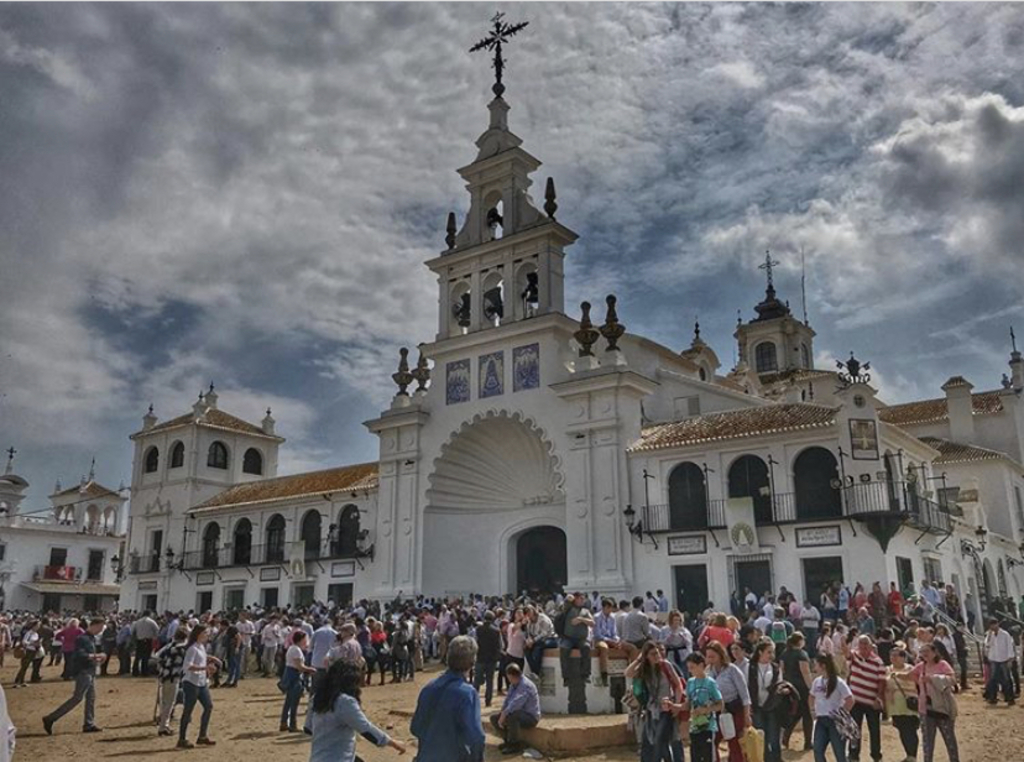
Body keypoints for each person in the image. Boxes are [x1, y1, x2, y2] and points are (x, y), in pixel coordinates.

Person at [309, 660, 406, 762]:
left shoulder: (316, 699)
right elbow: (366, 728)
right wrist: (393, 742)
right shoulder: (345, 702)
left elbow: (308, 728)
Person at [410, 635, 485, 762]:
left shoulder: (428, 688)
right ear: (472, 662)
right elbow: (476, 737)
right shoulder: (467, 693)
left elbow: (415, 727)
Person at [41, 617, 106, 735]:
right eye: (100, 627)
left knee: (90, 699)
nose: (100, 630)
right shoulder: (82, 638)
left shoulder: (89, 638)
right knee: (78, 697)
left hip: (89, 670)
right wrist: (95, 656)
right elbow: (80, 654)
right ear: (94, 625)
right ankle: (51, 718)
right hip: (83, 671)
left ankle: (89, 723)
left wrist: (97, 659)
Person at [625, 640, 683, 762]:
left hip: (666, 707)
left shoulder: (665, 665)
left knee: (660, 739)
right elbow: (628, 673)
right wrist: (639, 659)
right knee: (649, 741)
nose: (657, 656)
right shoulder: (644, 669)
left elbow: (678, 685)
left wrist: (677, 704)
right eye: (653, 654)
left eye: (657, 653)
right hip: (651, 709)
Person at [910, 642, 959, 762]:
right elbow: (910, 675)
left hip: (942, 705)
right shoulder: (920, 666)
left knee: (949, 738)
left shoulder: (942, 664)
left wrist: (933, 679)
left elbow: (952, 679)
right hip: (926, 707)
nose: (924, 654)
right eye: (922, 652)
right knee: (927, 740)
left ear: (934, 652)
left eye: (927, 651)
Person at [705, 640, 749, 762]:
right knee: (713, 741)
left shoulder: (732, 670)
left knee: (734, 742)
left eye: (713, 656)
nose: (710, 659)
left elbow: (745, 695)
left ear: (720, 655)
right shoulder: (708, 671)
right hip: (716, 711)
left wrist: (747, 715)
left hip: (734, 709)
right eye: (708, 656)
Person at [177, 624, 219, 749]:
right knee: (188, 710)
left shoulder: (201, 646)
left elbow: (200, 659)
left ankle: (202, 736)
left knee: (208, 706)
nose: (207, 635)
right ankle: (182, 738)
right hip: (191, 682)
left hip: (201, 682)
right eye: (205, 633)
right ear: (199, 634)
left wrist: (210, 659)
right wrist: (205, 668)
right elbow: (187, 666)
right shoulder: (192, 649)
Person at [847, 635, 886, 762]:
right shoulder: (854, 656)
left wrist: (878, 698)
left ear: (870, 646)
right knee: (854, 729)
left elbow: (882, 682)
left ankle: (876, 755)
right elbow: (846, 653)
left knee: (874, 730)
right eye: (861, 643)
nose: (863, 646)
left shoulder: (878, 661)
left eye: (865, 644)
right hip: (856, 700)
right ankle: (853, 755)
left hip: (871, 701)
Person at [489, 663, 541, 756]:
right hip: (519, 713)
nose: (509, 680)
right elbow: (508, 700)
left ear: (514, 676)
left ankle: (514, 744)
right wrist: (502, 713)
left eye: (509, 677)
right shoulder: (514, 684)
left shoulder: (525, 685)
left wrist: (504, 714)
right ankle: (507, 741)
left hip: (530, 717)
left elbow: (516, 703)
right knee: (494, 718)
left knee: (512, 716)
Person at [810, 654, 854, 762]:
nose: (814, 667)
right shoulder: (817, 681)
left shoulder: (838, 682)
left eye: (816, 664)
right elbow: (811, 696)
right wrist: (812, 710)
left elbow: (850, 699)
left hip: (835, 721)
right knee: (817, 750)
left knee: (839, 754)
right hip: (821, 720)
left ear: (823, 666)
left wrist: (841, 714)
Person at [680, 653, 723, 762]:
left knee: (708, 756)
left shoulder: (710, 683)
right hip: (694, 726)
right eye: (689, 668)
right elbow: (687, 704)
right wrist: (675, 706)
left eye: (692, 667)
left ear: (701, 665)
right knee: (695, 757)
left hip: (708, 726)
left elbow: (720, 704)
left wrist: (706, 710)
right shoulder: (690, 682)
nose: (690, 671)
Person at [748, 641, 784, 762]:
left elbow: (779, 684)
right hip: (756, 707)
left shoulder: (775, 668)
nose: (771, 655)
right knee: (760, 737)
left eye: (772, 652)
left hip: (771, 707)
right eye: (768, 652)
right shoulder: (751, 667)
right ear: (760, 652)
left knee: (773, 738)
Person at [781, 631, 814, 752]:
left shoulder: (784, 653)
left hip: (789, 686)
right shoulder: (801, 654)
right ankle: (808, 742)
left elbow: (782, 670)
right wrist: (811, 688)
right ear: (800, 641)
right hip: (802, 687)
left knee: (794, 713)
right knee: (807, 715)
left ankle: (785, 737)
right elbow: (805, 672)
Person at [885, 646, 919, 762]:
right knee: (902, 729)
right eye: (891, 655)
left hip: (909, 704)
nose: (893, 658)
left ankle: (912, 755)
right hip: (894, 707)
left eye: (896, 655)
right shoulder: (887, 669)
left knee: (910, 729)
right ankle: (909, 754)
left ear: (903, 657)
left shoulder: (911, 669)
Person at [280, 630, 317, 732]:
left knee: (288, 701)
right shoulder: (296, 650)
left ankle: (284, 722)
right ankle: (292, 725)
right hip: (295, 676)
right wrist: (311, 669)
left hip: (290, 675)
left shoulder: (292, 648)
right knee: (294, 702)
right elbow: (300, 667)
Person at [155, 628, 187, 737]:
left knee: (164, 701)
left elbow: (157, 656)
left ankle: (163, 724)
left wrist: (161, 668)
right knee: (170, 702)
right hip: (174, 677)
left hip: (164, 675)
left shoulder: (169, 646)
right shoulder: (182, 649)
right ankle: (163, 726)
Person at [558, 592, 594, 686]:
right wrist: (569, 599)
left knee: (586, 648)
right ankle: (566, 677)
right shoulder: (568, 608)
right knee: (564, 650)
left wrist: (581, 619)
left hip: (581, 639)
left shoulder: (585, 611)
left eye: (583, 599)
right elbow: (563, 606)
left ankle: (585, 675)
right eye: (580, 599)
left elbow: (592, 623)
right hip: (569, 638)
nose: (582, 600)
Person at [983, 617, 1016, 705]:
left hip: (1004, 659)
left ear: (997, 624)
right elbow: (987, 645)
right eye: (991, 625)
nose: (993, 627)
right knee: (993, 679)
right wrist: (989, 635)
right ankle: (993, 698)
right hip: (994, 659)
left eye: (994, 624)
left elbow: (1009, 646)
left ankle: (1010, 698)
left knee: (1007, 679)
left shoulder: (1005, 634)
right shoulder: (990, 635)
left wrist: (1010, 659)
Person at [474, 611, 502, 708]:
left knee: (477, 680)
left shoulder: (478, 629)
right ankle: (488, 701)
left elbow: (475, 642)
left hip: (480, 657)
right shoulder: (496, 631)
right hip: (491, 659)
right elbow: (499, 646)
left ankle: (474, 699)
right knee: (490, 681)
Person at [131, 611, 159, 677]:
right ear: (149, 614)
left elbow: (133, 631)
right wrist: (154, 636)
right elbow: (157, 630)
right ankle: (144, 672)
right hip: (148, 640)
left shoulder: (137, 622)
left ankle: (135, 672)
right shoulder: (151, 622)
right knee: (146, 657)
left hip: (139, 640)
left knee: (137, 657)